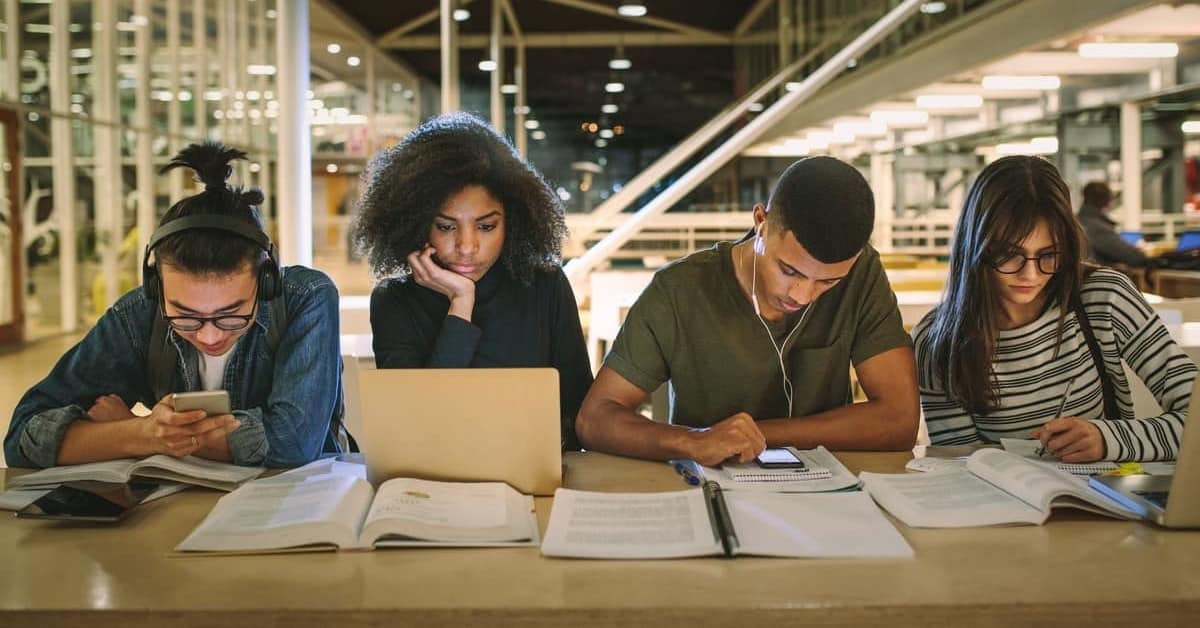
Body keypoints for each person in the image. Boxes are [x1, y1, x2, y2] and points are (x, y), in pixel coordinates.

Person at [5, 142, 346, 468]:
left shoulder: (306, 297)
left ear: (266, 281)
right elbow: (24, 437)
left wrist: (129, 432)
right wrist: (143, 434)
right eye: (185, 316)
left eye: (231, 315)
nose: (210, 336)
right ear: (156, 287)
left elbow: (294, 443)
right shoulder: (138, 313)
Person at [575, 156, 919, 466]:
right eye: (789, 270)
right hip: (710, 490)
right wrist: (693, 441)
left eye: (827, 283)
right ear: (761, 222)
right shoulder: (678, 291)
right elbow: (595, 419)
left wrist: (758, 435)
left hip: (827, 493)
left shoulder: (863, 274)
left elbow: (900, 421)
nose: (803, 295)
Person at [914, 156, 1196, 462]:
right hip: (1003, 506)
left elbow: (1195, 420)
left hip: (1108, 503)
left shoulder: (1105, 297)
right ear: (976, 248)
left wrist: (1109, 439)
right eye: (1010, 255)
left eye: (1049, 255)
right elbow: (962, 465)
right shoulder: (938, 342)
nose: (1031, 275)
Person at [352, 112, 592, 450]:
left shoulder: (544, 286)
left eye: (486, 226)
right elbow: (420, 425)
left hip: (532, 477)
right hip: (434, 483)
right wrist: (461, 303)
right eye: (447, 227)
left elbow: (580, 413)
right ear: (417, 224)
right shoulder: (394, 302)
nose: (467, 247)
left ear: (513, 223)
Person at [1077, 181, 1148, 267]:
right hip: (1100, 277)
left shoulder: (1078, 220)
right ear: (1107, 201)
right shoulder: (1097, 227)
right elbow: (1133, 256)